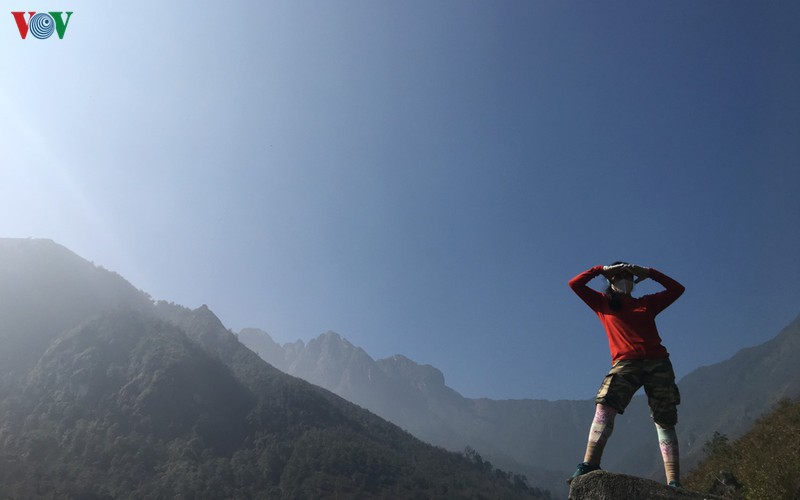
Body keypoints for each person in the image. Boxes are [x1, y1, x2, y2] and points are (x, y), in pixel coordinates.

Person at [567, 262, 685, 488]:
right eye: (619, 276)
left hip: (657, 362)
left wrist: (650, 273)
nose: (625, 281)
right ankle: (590, 463)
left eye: (629, 277)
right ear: (611, 280)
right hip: (625, 363)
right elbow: (575, 284)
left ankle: (674, 481)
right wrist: (601, 270)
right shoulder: (603, 304)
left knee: (665, 419)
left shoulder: (646, 303)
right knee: (605, 404)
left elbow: (677, 290)